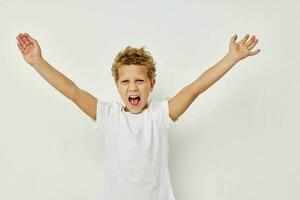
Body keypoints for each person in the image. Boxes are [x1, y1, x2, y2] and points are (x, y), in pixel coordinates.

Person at [16, 32, 260, 200]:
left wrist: (231, 58)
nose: (133, 87)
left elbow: (194, 88)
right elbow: (72, 91)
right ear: (117, 85)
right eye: (125, 81)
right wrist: (38, 62)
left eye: (140, 81)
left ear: (151, 84)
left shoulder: (160, 114)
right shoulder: (109, 115)